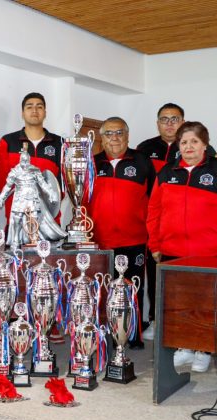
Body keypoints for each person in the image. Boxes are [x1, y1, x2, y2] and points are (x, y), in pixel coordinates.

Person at [146, 121, 217, 372]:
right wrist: (155, 244)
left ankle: (203, 350)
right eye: (184, 142)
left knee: (205, 304)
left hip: (209, 252)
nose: (188, 147)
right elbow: (154, 210)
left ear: (205, 145)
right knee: (178, 304)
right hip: (172, 252)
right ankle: (184, 347)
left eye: (194, 141)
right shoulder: (167, 172)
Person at [137, 103, 217, 341]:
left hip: (193, 229)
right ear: (157, 123)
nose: (170, 123)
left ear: (183, 122)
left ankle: (192, 329)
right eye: (164, 119)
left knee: (191, 283)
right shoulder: (145, 149)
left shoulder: (201, 148)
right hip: (157, 225)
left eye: (175, 119)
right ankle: (155, 319)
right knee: (156, 275)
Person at [87, 117, 155, 348]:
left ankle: (133, 334)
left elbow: (155, 199)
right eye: (108, 133)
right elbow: (83, 200)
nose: (114, 138)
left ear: (127, 136)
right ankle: (106, 333)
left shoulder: (142, 161)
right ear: (101, 138)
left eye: (119, 133)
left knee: (134, 288)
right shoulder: (92, 163)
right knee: (104, 290)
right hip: (101, 241)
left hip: (135, 239)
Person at [0, 92, 64, 229]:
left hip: (49, 222)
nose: (34, 110)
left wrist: (45, 205)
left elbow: (61, 185)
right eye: (29, 107)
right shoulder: (7, 142)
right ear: (22, 113)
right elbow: (1, 181)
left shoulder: (60, 143)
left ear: (45, 113)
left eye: (39, 107)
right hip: (17, 220)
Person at [0, 148, 66, 248]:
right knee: (17, 219)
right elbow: (7, 186)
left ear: (29, 160)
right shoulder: (15, 171)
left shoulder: (35, 170)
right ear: (20, 160)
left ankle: (33, 239)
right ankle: (16, 239)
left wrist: (51, 193)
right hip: (20, 198)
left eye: (26, 160)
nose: (25, 163)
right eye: (23, 160)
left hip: (32, 198)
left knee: (33, 218)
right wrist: (1, 198)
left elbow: (43, 184)